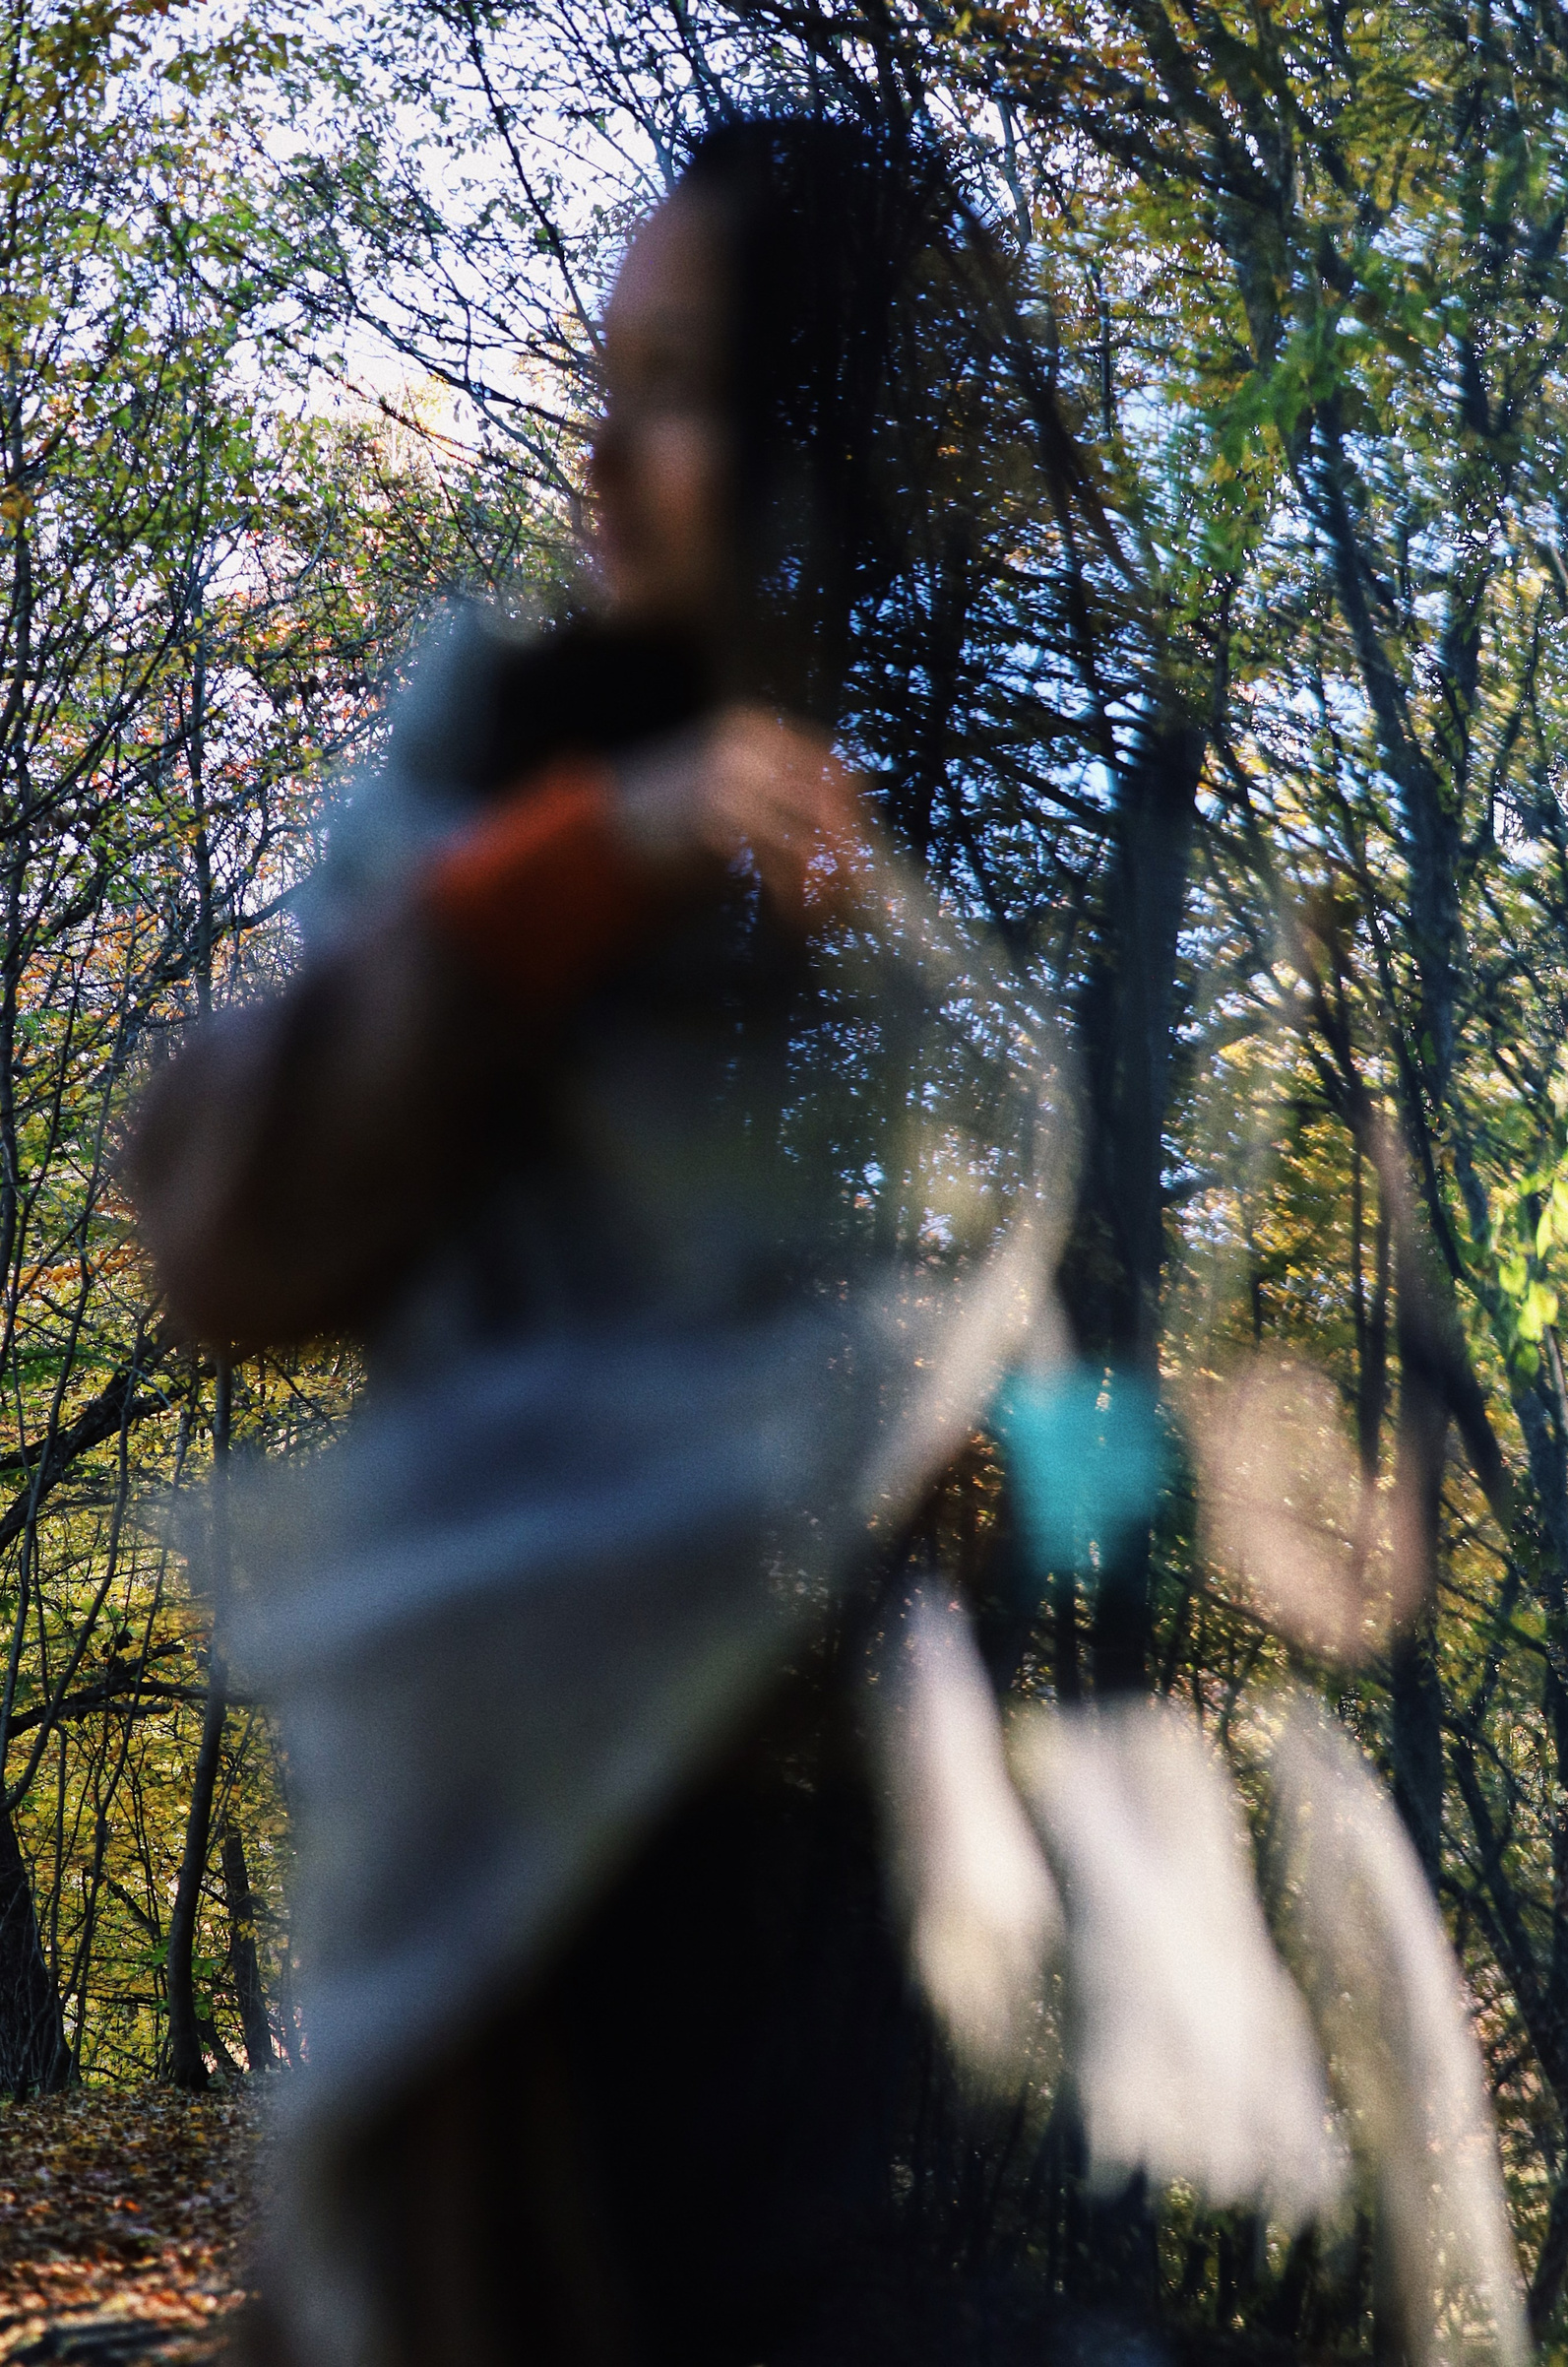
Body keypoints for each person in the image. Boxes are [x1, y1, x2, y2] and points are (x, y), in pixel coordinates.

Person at [131, 117, 1070, 2367]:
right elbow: (220, 1213)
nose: (601, 458)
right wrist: (575, 868)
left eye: (676, 390)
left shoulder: (1011, 875)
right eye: (605, 383)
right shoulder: (513, 772)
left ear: (827, 449)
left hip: (884, 1944)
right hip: (530, 1969)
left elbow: (1074, 1398)